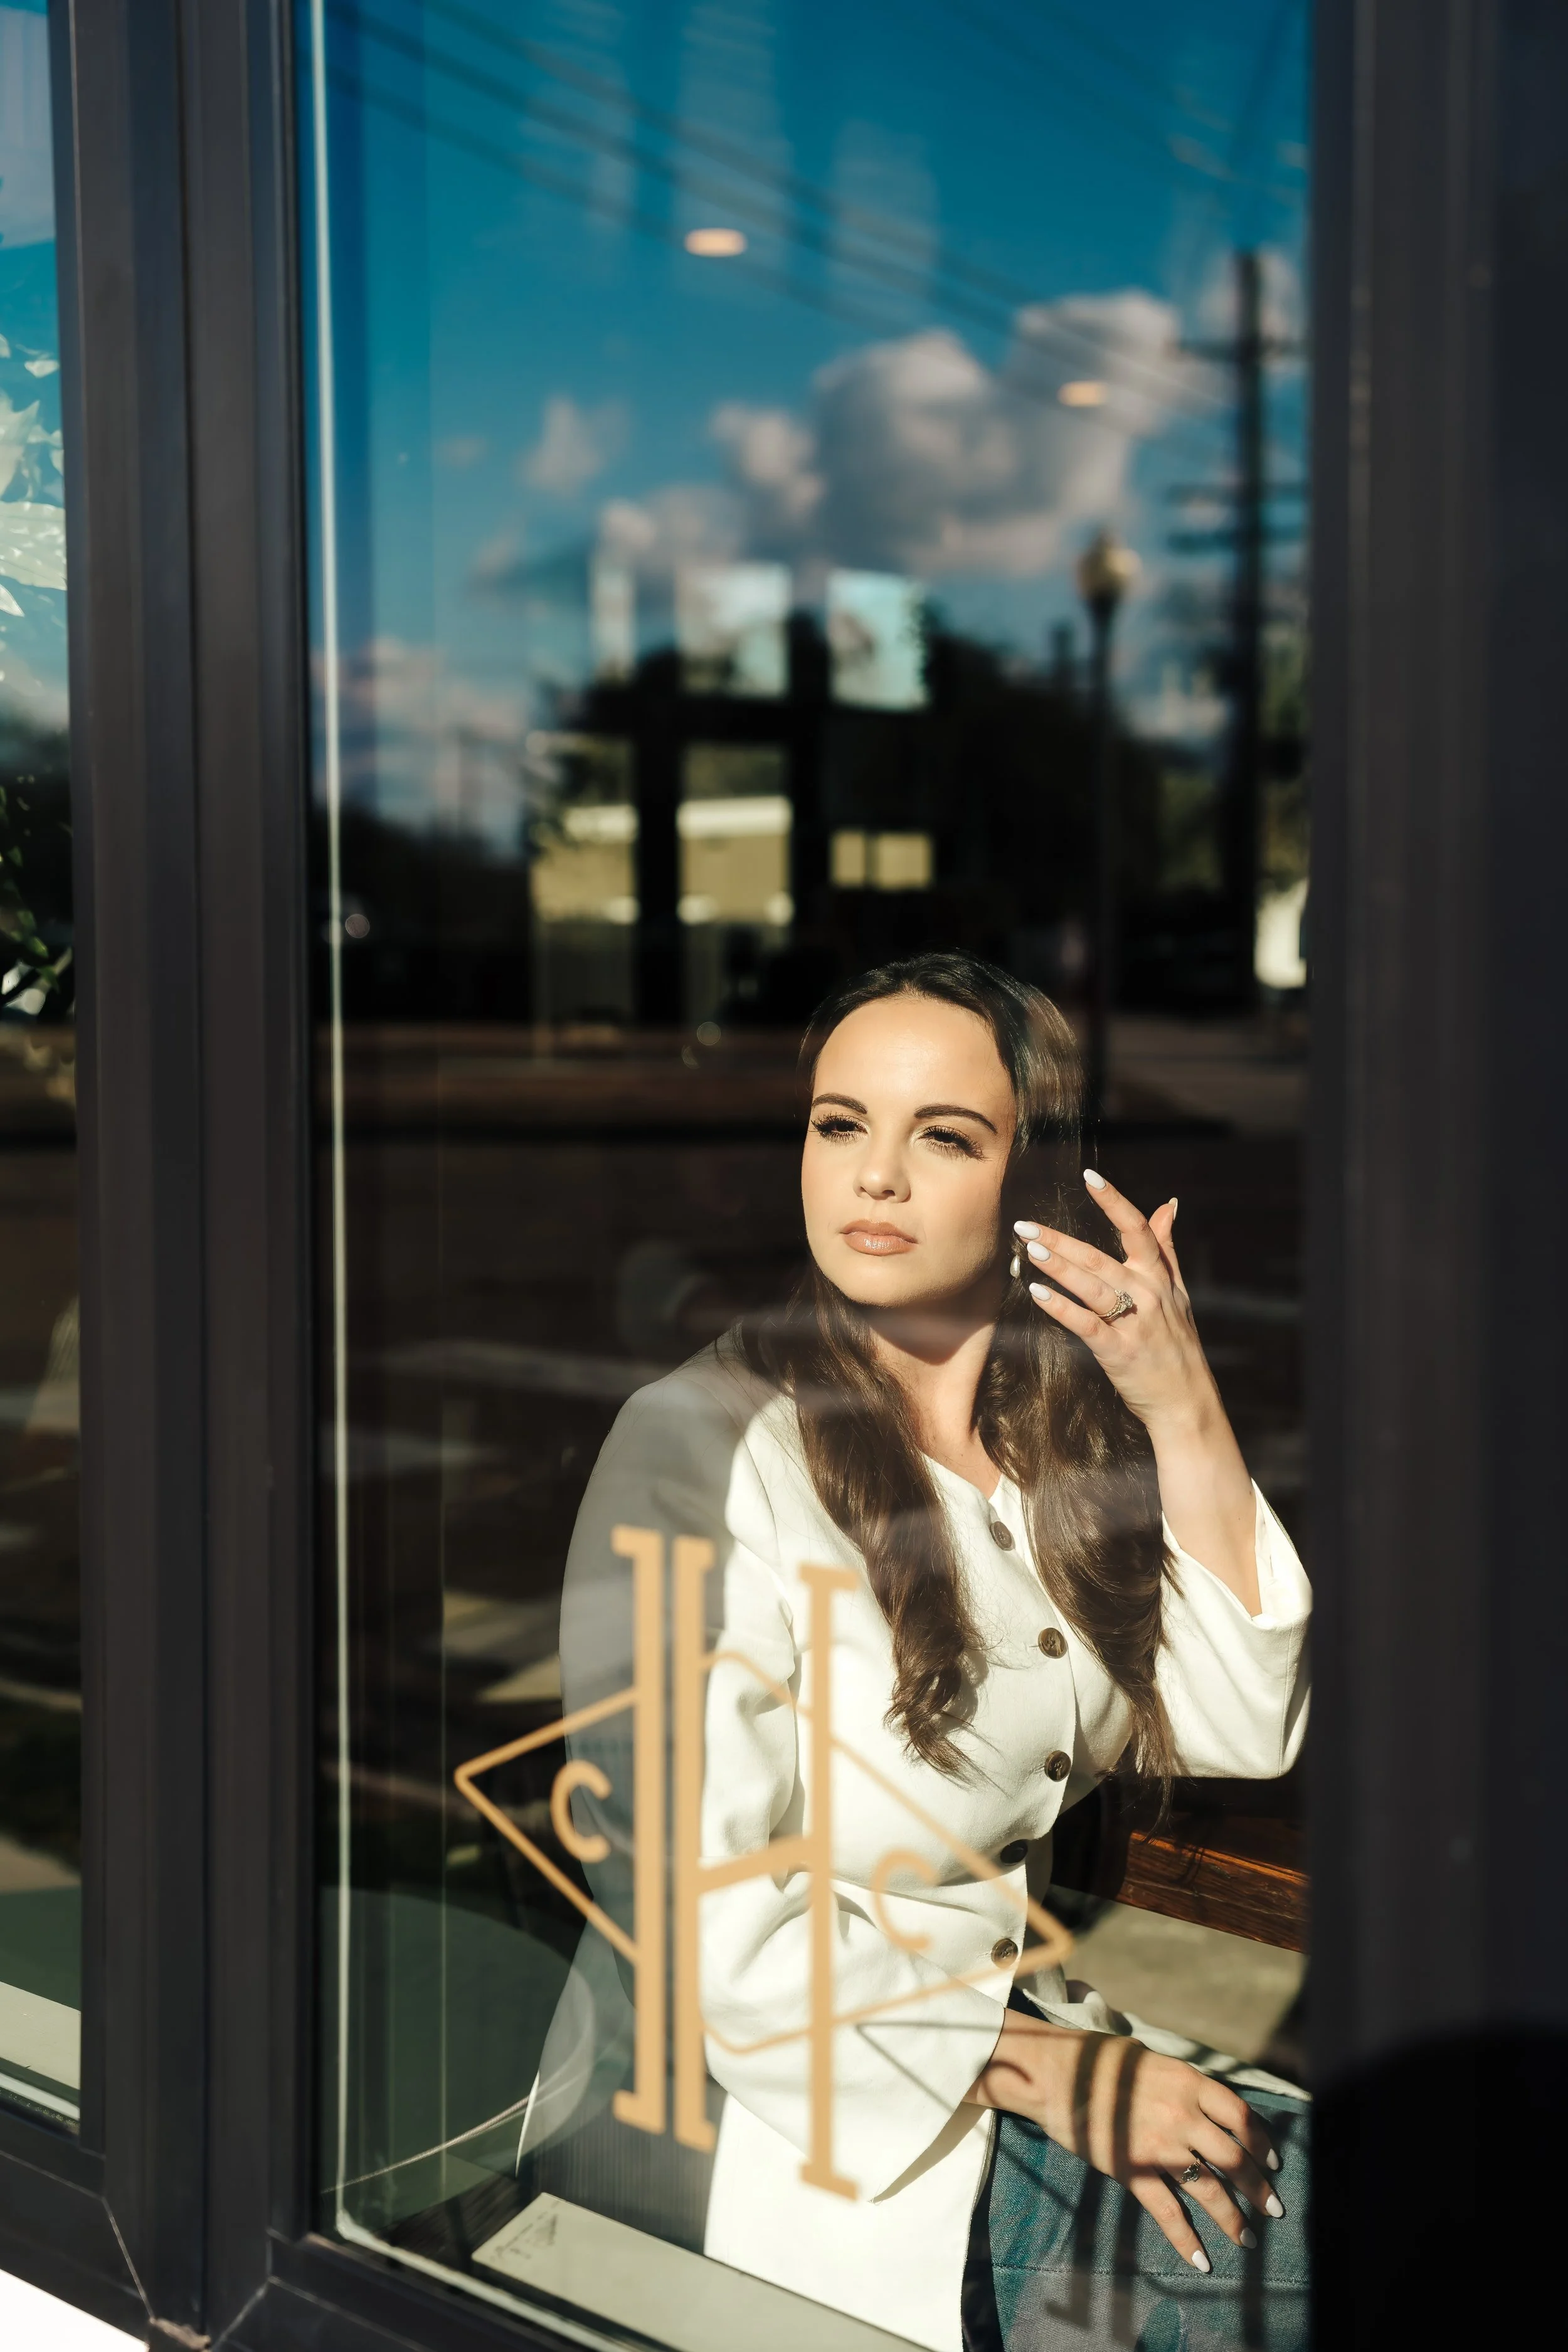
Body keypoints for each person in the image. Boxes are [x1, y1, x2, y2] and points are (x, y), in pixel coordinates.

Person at [554, 952, 1310, 2351]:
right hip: (787, 2126)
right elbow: (687, 1907)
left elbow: (1240, 1719)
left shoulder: (1050, 1436)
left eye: (940, 1136)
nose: (873, 1178)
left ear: (1029, 1180)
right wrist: (1047, 2071)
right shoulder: (703, 1444)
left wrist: (1179, 1398)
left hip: (1023, 2073)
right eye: (838, 1125)